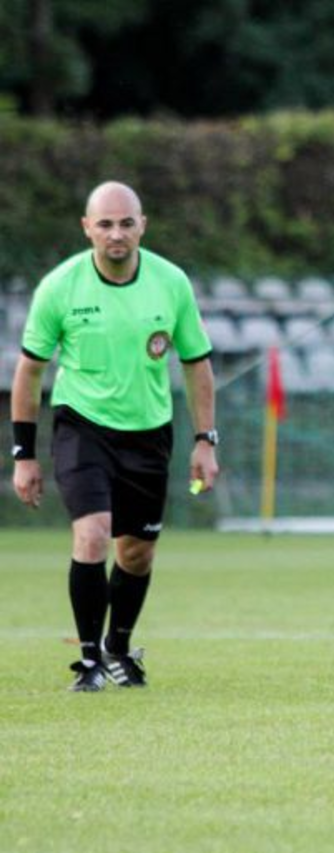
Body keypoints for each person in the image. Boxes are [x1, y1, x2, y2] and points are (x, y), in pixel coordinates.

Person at [10, 181, 219, 692]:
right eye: (105, 224)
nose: (116, 234)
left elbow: (196, 365)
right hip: (83, 427)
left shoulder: (171, 283)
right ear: (87, 229)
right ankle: (88, 662)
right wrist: (23, 454)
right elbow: (29, 372)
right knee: (93, 534)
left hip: (149, 433)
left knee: (136, 553)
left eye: (126, 223)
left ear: (143, 225)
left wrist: (205, 440)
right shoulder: (60, 287)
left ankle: (118, 648)